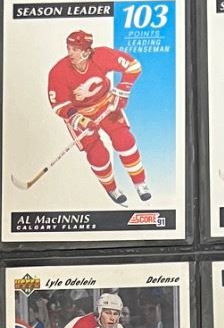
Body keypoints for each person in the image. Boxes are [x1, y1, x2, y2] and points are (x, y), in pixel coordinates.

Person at [47, 29, 152, 208]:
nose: (70, 53)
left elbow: (133, 66)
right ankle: (112, 189)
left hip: (106, 104)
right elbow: (59, 105)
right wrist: (80, 120)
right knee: (98, 155)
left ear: (87, 51)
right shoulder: (58, 71)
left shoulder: (101, 56)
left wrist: (123, 89)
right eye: (69, 48)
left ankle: (140, 183)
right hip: (80, 114)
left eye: (75, 49)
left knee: (125, 141)